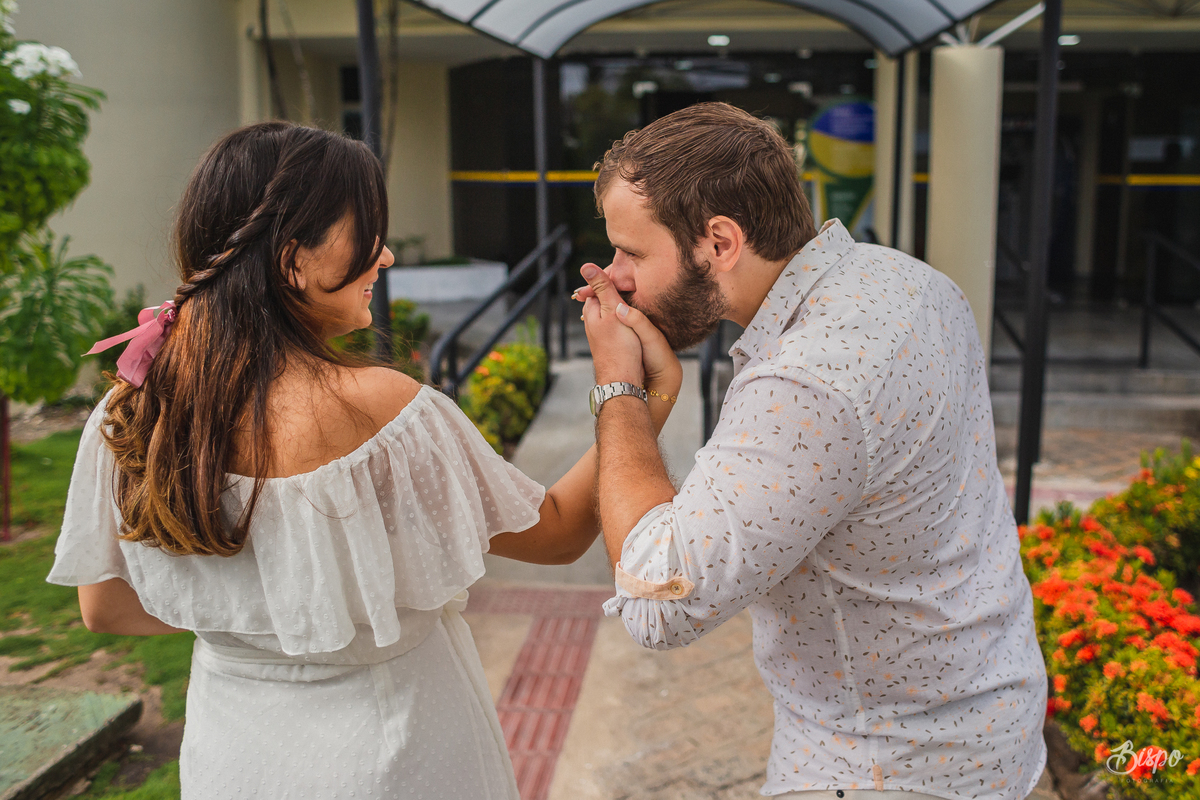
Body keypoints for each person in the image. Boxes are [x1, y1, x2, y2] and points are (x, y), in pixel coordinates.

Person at [47, 121, 680, 799]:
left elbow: (106, 607)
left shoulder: (134, 414)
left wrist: (253, 618)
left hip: (233, 755)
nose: (384, 257)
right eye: (365, 235)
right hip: (396, 754)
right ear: (293, 259)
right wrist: (640, 397)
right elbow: (554, 534)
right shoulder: (384, 412)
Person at [574, 102, 1048, 800]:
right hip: (986, 726)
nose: (613, 276)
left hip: (884, 766)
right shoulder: (912, 283)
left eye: (633, 253)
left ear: (720, 241)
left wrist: (619, 385)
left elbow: (657, 597)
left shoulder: (806, 382)